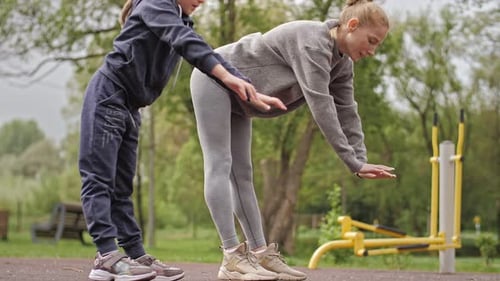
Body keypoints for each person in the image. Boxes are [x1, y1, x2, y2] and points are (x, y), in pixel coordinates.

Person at [189, 0, 397, 280]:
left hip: (241, 97)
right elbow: (321, 107)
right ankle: (232, 257)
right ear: (352, 26)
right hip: (214, 78)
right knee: (220, 163)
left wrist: (359, 160)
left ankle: (260, 254)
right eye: (371, 41)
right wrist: (351, 162)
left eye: (378, 45)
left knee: (243, 175)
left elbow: (347, 110)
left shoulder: (342, 63)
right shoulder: (313, 42)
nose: (372, 50)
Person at [78, 0, 273, 281]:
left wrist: (248, 88)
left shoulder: (181, 20)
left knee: (122, 188)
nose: (203, 1)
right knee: (99, 180)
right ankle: (106, 257)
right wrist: (230, 81)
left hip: (130, 107)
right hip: (107, 97)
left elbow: (208, 54)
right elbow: (187, 45)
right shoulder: (156, 3)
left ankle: (135, 255)